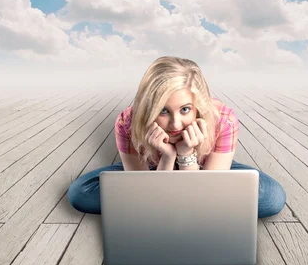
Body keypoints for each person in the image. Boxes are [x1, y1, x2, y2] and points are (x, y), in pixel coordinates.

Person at [68, 56, 286, 218]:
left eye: (184, 110)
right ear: (149, 107)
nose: (175, 124)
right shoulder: (128, 122)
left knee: (271, 197)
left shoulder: (223, 119)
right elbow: (153, 196)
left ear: (198, 107)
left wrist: (186, 154)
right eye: (163, 110)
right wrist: (166, 158)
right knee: (80, 193)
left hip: (207, 167)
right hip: (150, 167)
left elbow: (202, 194)